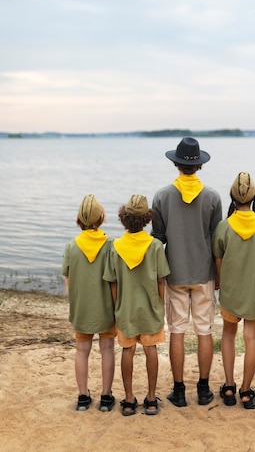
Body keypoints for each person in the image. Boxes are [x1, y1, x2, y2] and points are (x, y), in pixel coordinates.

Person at [151, 137, 222, 407]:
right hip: (204, 273)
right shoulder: (213, 197)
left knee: (177, 331)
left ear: (175, 163)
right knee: (204, 330)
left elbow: (158, 238)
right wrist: (220, 277)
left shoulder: (161, 196)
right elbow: (217, 241)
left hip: (175, 273)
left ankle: (179, 391)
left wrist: (156, 273)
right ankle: (203, 390)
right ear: (199, 166)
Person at [103, 194, 170, 416]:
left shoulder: (115, 246)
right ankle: (151, 399)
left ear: (124, 218)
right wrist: (160, 304)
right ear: (146, 219)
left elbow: (112, 282)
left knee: (127, 350)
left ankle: (129, 399)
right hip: (150, 308)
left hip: (125, 308)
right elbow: (161, 280)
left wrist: (116, 307)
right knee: (151, 350)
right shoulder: (156, 246)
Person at [213, 172, 255, 409]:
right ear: (254, 197)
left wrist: (219, 282)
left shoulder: (224, 226)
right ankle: (246, 392)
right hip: (252, 294)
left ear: (232, 198)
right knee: (252, 338)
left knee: (228, 335)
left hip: (230, 292)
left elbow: (218, 260)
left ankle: (229, 387)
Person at [62, 194, 116, 412]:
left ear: (78, 220)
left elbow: (68, 281)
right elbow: (115, 279)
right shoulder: (111, 245)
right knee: (108, 349)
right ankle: (106, 396)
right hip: (106, 309)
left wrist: (75, 303)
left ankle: (83, 397)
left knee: (82, 350)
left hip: (81, 309)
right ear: (102, 217)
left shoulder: (71, 247)